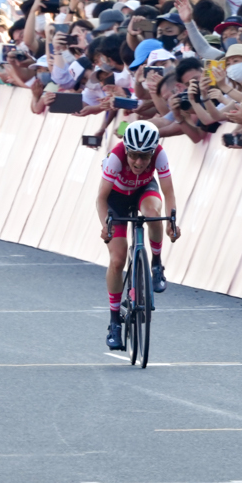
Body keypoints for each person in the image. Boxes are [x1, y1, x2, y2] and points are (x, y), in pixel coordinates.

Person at [96, 120, 181, 350]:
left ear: (153, 152)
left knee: (154, 213)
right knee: (117, 259)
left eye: (145, 157)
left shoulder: (160, 155)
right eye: (133, 155)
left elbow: (168, 191)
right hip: (117, 199)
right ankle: (114, 321)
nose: (139, 162)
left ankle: (155, 264)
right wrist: (106, 225)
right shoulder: (115, 158)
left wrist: (172, 220)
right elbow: (101, 199)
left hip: (144, 190)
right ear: (126, 150)